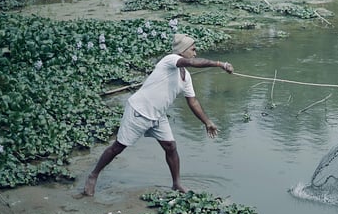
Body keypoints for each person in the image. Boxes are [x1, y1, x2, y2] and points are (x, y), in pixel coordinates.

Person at [82, 33, 234, 196]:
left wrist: (207, 122)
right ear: (182, 51)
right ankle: (93, 175)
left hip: (158, 115)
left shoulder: (186, 77)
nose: (195, 53)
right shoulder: (170, 60)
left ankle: (176, 184)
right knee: (118, 147)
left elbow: (193, 101)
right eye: (193, 49)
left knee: (171, 147)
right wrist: (219, 64)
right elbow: (191, 62)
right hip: (139, 111)